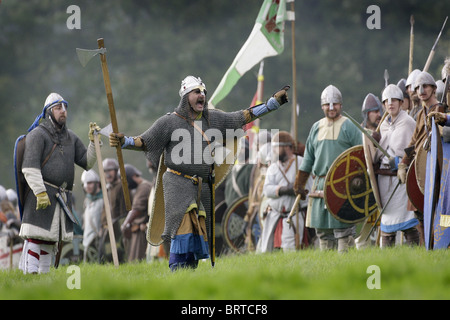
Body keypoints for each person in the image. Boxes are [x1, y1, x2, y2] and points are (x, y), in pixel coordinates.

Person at [109, 75, 290, 270]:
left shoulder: (213, 119)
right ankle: (176, 271)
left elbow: (243, 116)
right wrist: (125, 141)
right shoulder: (169, 122)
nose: (202, 95)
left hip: (200, 188)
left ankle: (188, 276)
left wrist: (272, 104)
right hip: (177, 185)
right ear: (186, 96)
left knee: (195, 237)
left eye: (203, 92)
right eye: (197, 92)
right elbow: (145, 141)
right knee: (183, 232)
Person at [18, 92, 98, 274]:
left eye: (64, 107)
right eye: (58, 108)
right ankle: (30, 277)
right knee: (37, 238)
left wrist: (94, 143)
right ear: (48, 112)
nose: (63, 111)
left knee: (49, 241)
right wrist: (40, 192)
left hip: (61, 198)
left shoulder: (71, 138)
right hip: (42, 196)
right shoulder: (38, 135)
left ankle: (44, 279)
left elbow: (87, 162)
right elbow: (29, 167)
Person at [294, 85, 362, 252]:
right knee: (323, 232)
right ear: (322, 106)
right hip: (319, 185)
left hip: (343, 185)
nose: (331, 108)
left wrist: (359, 178)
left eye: (335, 104)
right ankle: (327, 271)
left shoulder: (349, 126)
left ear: (341, 105)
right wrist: (300, 183)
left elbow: (361, 155)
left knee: (343, 232)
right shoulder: (316, 127)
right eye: (327, 104)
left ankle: (344, 267)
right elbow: (308, 159)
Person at [374, 84, 419, 247]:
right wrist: (374, 143)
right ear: (384, 104)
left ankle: (415, 256)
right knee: (386, 222)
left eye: (394, 100)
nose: (390, 103)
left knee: (407, 221)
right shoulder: (383, 125)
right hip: (383, 179)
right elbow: (377, 155)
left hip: (401, 179)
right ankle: (386, 260)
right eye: (387, 101)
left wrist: (400, 161)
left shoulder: (408, 122)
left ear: (401, 103)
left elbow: (415, 150)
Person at [257, 131, 311, 252]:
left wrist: (299, 190)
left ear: (287, 147)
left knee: (290, 248)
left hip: (294, 214)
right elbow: (267, 190)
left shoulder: (301, 163)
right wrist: (283, 189)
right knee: (266, 250)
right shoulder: (273, 167)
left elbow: (308, 190)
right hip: (275, 214)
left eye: (277, 147)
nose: (274, 150)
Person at [98, 158, 127, 263]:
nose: (107, 174)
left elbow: (124, 213)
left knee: (118, 258)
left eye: (110, 170)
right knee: (102, 258)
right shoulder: (107, 189)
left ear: (116, 171)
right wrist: (102, 225)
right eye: (105, 171)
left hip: (117, 230)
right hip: (107, 229)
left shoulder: (121, 187)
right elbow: (104, 210)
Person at [120, 164, 152, 262]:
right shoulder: (138, 188)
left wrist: (125, 224)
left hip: (141, 232)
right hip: (136, 231)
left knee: (138, 260)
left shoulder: (144, 186)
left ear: (133, 176)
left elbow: (136, 209)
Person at [80, 169, 103, 261]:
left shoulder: (104, 200)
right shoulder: (87, 201)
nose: (86, 186)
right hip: (87, 242)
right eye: (85, 184)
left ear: (97, 184)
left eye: (89, 183)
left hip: (100, 241)